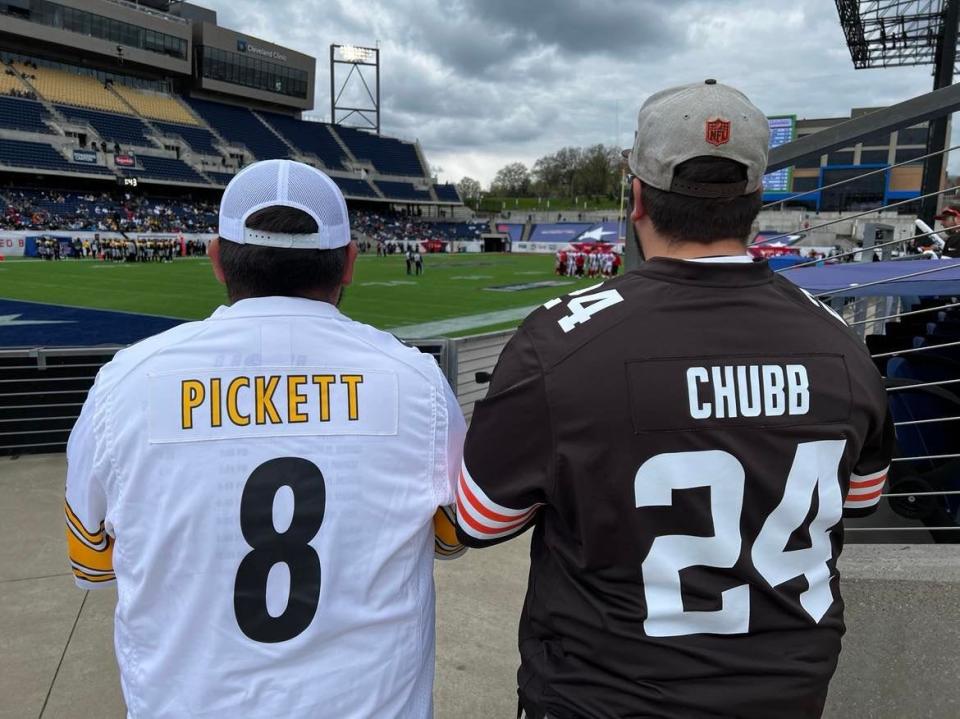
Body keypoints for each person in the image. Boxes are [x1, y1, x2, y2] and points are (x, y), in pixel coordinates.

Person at [455, 80, 893, 719]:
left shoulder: (561, 343)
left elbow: (480, 519)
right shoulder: (840, 344)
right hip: (785, 696)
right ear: (757, 198)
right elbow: (862, 498)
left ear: (636, 195)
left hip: (603, 695)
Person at [64, 160, 466, 718]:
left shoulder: (127, 382)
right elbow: (452, 537)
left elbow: (90, 564)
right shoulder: (417, 383)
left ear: (215, 259)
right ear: (349, 263)